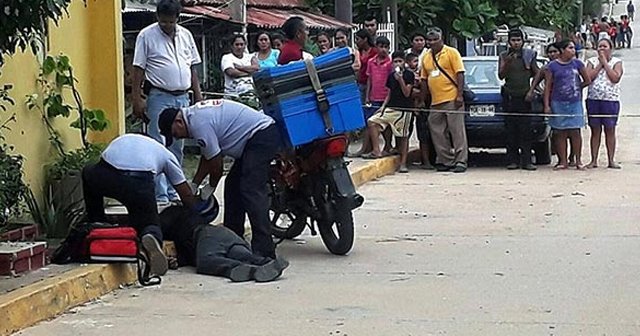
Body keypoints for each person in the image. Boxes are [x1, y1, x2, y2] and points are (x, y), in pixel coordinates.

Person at [159, 99, 284, 259]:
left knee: (250, 189)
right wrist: (195, 184)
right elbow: (208, 156)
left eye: (175, 134)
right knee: (232, 188)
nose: (178, 138)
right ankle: (233, 241)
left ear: (178, 121)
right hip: (252, 140)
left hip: (261, 135)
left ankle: (264, 250)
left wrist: (210, 188)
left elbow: (216, 164)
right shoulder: (194, 117)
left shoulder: (198, 123)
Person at [81, 133, 206, 277]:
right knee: (149, 221)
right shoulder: (165, 153)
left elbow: (103, 160)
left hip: (106, 174)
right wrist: (195, 213)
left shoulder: (124, 138)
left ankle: (97, 223)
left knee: (88, 172)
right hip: (139, 182)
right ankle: (151, 236)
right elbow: (185, 194)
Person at [132, 0, 202, 204]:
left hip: (183, 96)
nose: (167, 26)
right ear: (157, 18)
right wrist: (137, 98)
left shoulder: (186, 35)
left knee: (177, 145)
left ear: (177, 19)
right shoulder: (146, 35)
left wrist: (198, 95)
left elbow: (192, 68)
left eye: (171, 22)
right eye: (164, 22)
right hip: (159, 96)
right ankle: (160, 194)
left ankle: (174, 190)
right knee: (158, 144)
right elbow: (138, 69)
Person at [159, 205, 289, 282]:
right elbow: (188, 252)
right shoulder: (188, 213)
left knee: (206, 262)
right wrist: (178, 261)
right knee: (241, 254)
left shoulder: (168, 218)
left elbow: (192, 251)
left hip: (205, 235)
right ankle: (265, 262)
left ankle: (242, 269)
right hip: (226, 234)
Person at [420, 27, 468, 173]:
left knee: (456, 131)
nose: (433, 42)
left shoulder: (451, 52)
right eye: (430, 40)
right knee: (437, 130)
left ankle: (460, 161)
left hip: (452, 98)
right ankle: (446, 160)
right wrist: (422, 99)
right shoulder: (426, 56)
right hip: (435, 101)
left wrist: (459, 95)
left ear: (442, 40)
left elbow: (460, 74)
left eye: (436, 39)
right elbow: (424, 79)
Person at [543, 40, 591, 170]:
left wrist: (576, 88)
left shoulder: (578, 64)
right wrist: (547, 105)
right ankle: (562, 161)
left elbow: (587, 80)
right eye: (570, 48)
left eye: (574, 48)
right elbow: (548, 87)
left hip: (575, 102)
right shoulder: (552, 66)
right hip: (557, 102)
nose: (573, 50)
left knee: (575, 131)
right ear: (562, 50)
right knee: (560, 132)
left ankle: (578, 160)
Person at [363, 51, 414, 173]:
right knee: (372, 122)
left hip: (403, 110)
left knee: (403, 136)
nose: (397, 63)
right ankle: (376, 150)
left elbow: (407, 93)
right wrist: (383, 107)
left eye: (400, 61)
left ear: (404, 62)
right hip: (390, 108)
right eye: (395, 61)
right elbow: (389, 93)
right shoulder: (391, 76)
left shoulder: (408, 75)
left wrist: (400, 79)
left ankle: (403, 163)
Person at [498, 29, 540, 171]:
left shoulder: (529, 55)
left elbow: (537, 73)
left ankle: (527, 161)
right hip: (509, 96)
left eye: (518, 40)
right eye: (513, 40)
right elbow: (501, 76)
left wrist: (532, 90)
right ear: (509, 42)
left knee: (526, 130)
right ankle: (512, 160)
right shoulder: (504, 55)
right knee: (511, 130)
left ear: (523, 41)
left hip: (524, 96)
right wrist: (508, 63)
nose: (516, 43)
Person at [585, 39, 624, 169]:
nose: (602, 49)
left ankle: (611, 160)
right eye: (599, 46)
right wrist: (599, 65)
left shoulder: (616, 62)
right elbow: (588, 78)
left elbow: (615, 78)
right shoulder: (591, 62)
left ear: (610, 48)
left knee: (610, 130)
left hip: (610, 100)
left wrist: (605, 63)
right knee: (595, 130)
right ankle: (594, 160)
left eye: (605, 46)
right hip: (594, 100)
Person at [364, 36, 395, 157]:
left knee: (386, 124)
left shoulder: (390, 63)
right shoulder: (371, 62)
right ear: (376, 47)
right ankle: (375, 148)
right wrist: (367, 96)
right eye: (381, 47)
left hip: (385, 97)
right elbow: (369, 80)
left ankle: (388, 145)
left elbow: (391, 82)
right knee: (372, 123)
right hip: (373, 97)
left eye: (386, 47)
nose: (383, 50)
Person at [407, 52, 434, 170]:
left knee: (426, 135)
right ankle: (423, 160)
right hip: (412, 107)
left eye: (417, 61)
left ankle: (427, 160)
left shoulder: (423, 74)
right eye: (414, 61)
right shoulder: (407, 75)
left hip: (425, 106)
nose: (416, 64)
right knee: (409, 133)